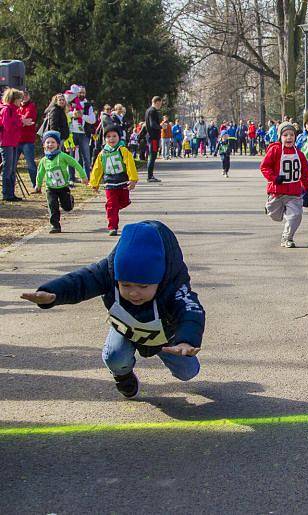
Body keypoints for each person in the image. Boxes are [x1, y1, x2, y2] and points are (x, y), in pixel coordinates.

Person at [20, 221, 205, 399]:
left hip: (166, 336)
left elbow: (191, 312)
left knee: (189, 372)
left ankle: (176, 353)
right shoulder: (108, 272)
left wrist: (186, 341)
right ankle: (123, 376)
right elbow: (81, 281)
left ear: (160, 279)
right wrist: (54, 293)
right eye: (126, 285)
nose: (134, 293)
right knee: (114, 356)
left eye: (143, 286)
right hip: (126, 328)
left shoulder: (174, 286)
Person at [260, 121, 308, 248]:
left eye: (291, 135)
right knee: (275, 216)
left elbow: (304, 173)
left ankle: (287, 237)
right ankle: (269, 207)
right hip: (277, 191)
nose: (289, 137)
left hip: (294, 192)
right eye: (285, 135)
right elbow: (264, 167)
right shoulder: (275, 150)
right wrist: (274, 178)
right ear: (280, 137)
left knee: (296, 215)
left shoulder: (299, 154)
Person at [33, 131, 88, 233]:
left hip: (63, 187)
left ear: (58, 144)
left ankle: (70, 200)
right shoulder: (44, 160)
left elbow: (75, 164)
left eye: (53, 142)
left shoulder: (63, 156)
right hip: (50, 188)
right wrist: (38, 185)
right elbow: (40, 174)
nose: (50, 145)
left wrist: (83, 176)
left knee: (67, 207)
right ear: (44, 145)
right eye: (48, 142)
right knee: (52, 206)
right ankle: (55, 226)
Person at [89, 126, 138, 236]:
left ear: (119, 138)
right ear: (104, 139)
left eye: (114, 136)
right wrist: (94, 183)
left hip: (122, 182)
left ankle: (113, 207)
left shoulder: (123, 150)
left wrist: (133, 179)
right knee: (112, 205)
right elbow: (97, 168)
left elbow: (130, 165)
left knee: (124, 201)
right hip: (110, 184)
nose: (111, 139)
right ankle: (112, 226)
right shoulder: (102, 154)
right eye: (108, 137)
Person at [66, 85, 97, 184]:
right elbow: (65, 114)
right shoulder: (70, 103)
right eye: (80, 92)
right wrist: (73, 114)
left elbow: (93, 120)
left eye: (83, 92)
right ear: (76, 93)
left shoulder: (88, 105)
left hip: (84, 133)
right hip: (71, 133)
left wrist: (82, 115)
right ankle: (71, 177)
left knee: (86, 157)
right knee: (71, 156)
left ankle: (86, 177)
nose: (82, 94)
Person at [0, 88, 24, 202]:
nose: (21, 101)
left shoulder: (14, 110)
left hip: (13, 142)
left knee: (12, 169)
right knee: (7, 168)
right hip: (6, 142)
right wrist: (21, 123)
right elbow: (8, 127)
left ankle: (11, 193)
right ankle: (6, 193)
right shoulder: (6, 110)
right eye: (20, 99)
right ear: (14, 99)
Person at [16, 90, 38, 188]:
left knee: (30, 164)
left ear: (29, 96)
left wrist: (18, 121)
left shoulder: (31, 106)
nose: (24, 97)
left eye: (26, 95)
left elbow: (28, 119)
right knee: (11, 165)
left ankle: (36, 184)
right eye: (22, 95)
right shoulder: (16, 107)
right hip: (16, 140)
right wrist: (21, 120)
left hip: (27, 140)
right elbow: (20, 121)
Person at [144, 97, 163, 182]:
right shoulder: (153, 111)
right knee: (152, 156)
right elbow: (152, 124)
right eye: (160, 103)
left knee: (152, 156)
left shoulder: (148, 110)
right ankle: (150, 176)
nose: (160, 105)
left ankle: (150, 175)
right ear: (156, 102)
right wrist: (161, 126)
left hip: (151, 136)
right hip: (153, 137)